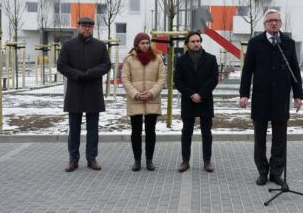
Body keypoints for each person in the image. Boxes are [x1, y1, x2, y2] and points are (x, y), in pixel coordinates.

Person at [239, 9, 303, 186]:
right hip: (261, 97)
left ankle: (276, 172)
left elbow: (294, 70)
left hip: (281, 98)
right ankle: (262, 171)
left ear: (281, 23)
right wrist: (244, 94)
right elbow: (247, 71)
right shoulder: (255, 43)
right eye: (270, 21)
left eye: (276, 20)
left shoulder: (288, 43)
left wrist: (298, 95)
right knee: (260, 139)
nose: (273, 23)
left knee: (280, 139)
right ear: (264, 24)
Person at [57, 16, 111, 172]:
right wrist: (77, 75)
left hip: (93, 91)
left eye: (90, 26)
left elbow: (106, 65)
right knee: (74, 128)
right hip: (75, 92)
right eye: (84, 26)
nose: (87, 29)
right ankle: (73, 159)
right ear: (78, 26)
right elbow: (61, 65)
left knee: (93, 129)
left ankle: (91, 158)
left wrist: (91, 73)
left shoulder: (100, 46)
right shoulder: (68, 46)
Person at [174, 31, 219, 173]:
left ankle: (207, 161)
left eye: (198, 41)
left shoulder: (211, 59)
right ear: (187, 44)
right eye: (193, 41)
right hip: (188, 100)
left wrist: (201, 94)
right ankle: (185, 161)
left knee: (206, 132)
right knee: (187, 132)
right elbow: (178, 81)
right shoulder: (180, 60)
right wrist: (191, 94)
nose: (196, 44)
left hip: (205, 100)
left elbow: (213, 79)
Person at [121, 32, 166, 172]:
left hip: (152, 100)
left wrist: (151, 92)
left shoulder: (157, 58)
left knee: (150, 131)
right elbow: (125, 79)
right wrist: (136, 94)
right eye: (142, 43)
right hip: (135, 101)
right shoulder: (129, 59)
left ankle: (149, 160)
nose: (145, 45)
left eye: (147, 43)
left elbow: (162, 78)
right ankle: (137, 161)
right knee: (136, 132)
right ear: (137, 45)